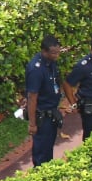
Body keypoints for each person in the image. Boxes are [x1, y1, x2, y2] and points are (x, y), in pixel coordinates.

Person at [25, 34, 64, 167]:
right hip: (42, 116)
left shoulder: (51, 63)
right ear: (44, 51)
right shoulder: (36, 69)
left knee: (49, 149)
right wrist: (32, 124)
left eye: (58, 52)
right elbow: (32, 97)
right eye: (53, 53)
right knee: (41, 152)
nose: (56, 55)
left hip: (52, 112)